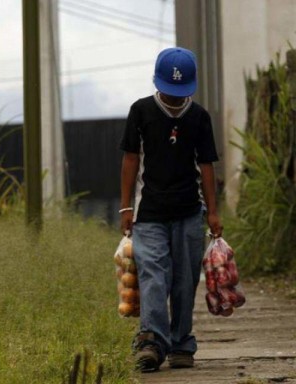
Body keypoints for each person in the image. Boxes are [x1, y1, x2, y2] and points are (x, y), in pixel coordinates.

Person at [119, 47, 222, 372]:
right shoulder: (141, 112)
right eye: (169, 92)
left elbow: (206, 166)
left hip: (189, 212)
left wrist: (213, 212)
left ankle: (181, 344)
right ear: (158, 83)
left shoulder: (199, 117)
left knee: (184, 280)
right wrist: (125, 206)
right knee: (152, 275)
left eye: (180, 94)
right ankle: (151, 341)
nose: (175, 99)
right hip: (149, 213)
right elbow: (131, 159)